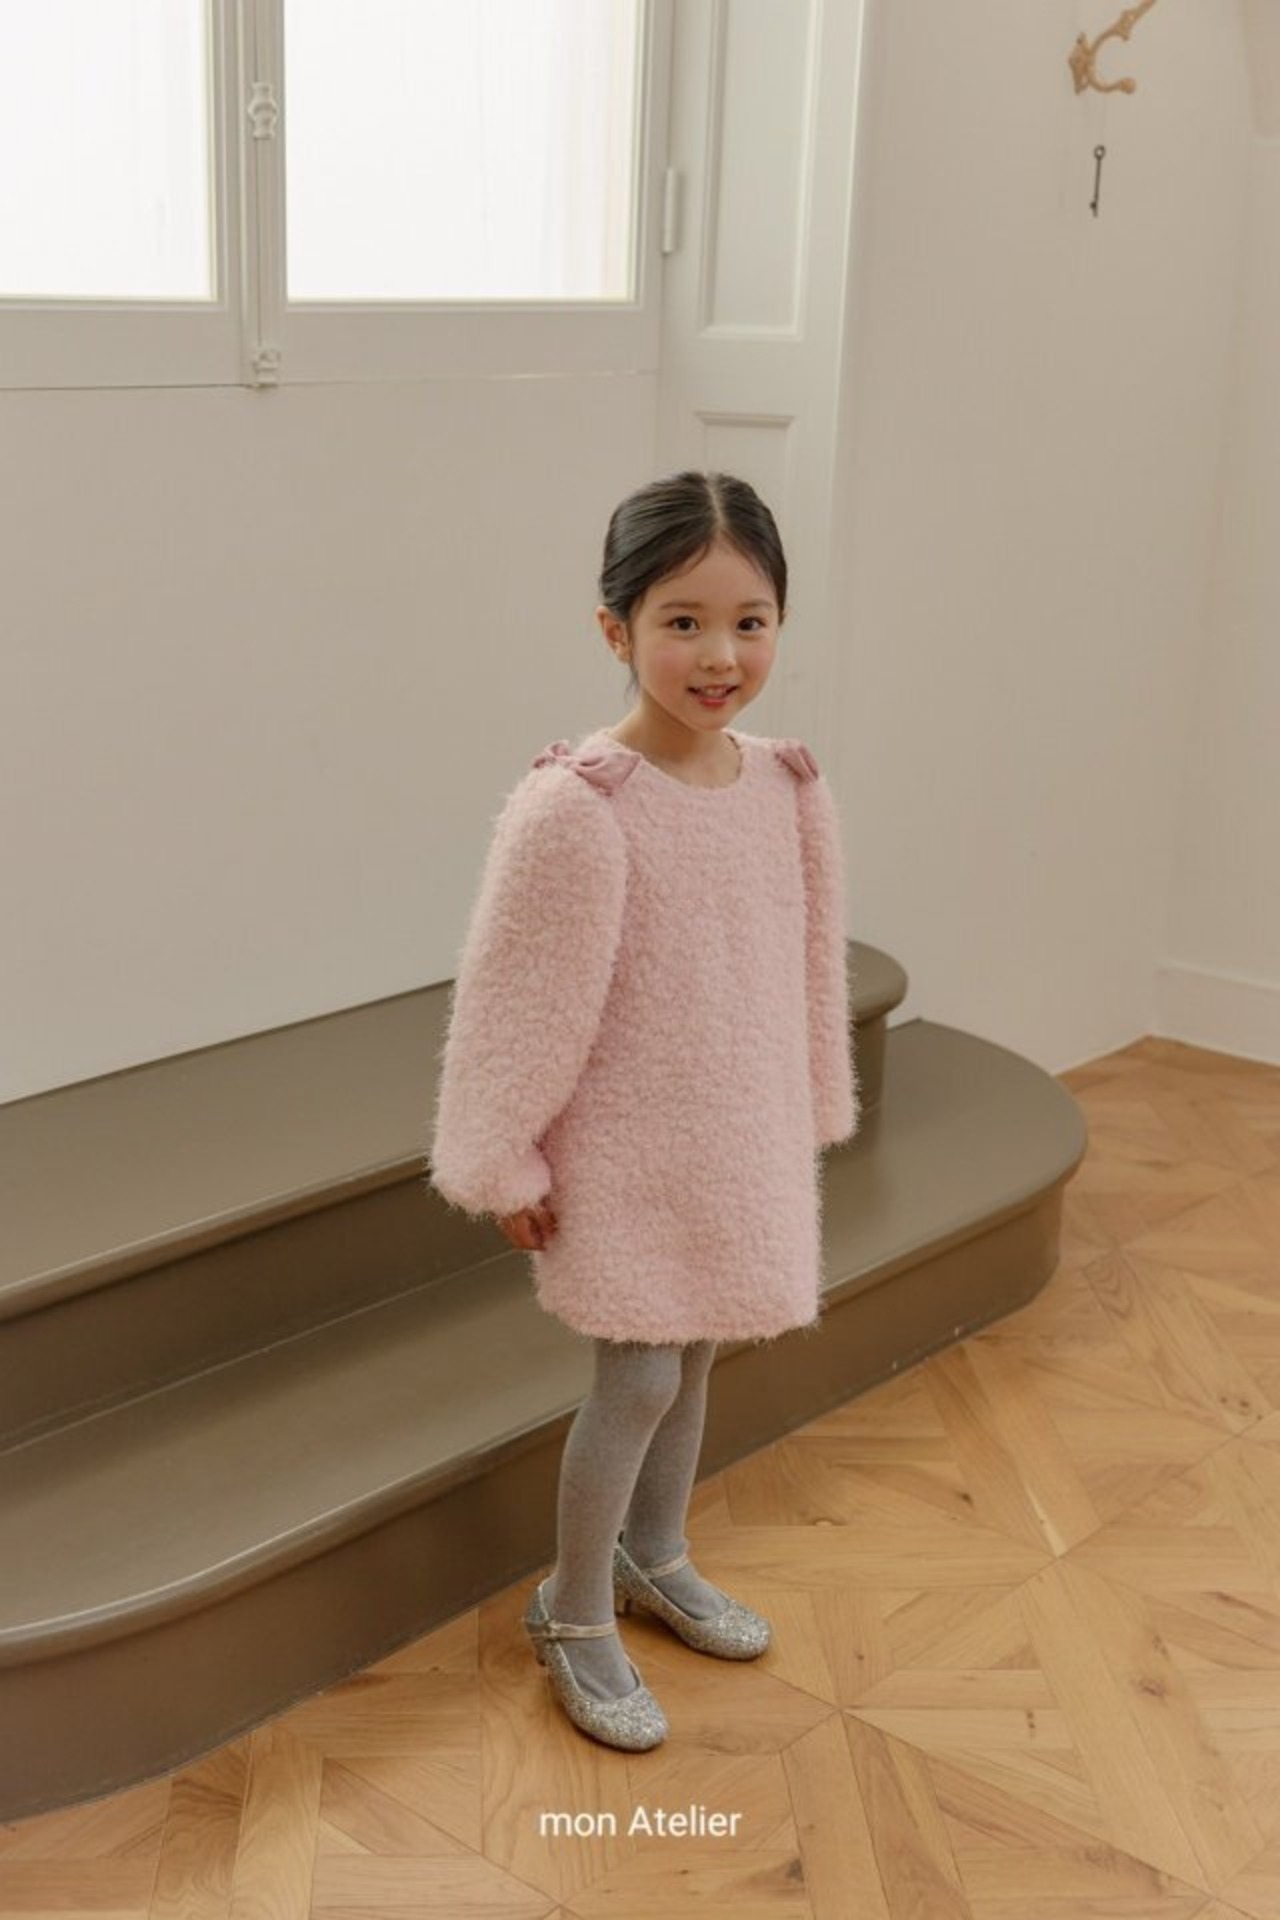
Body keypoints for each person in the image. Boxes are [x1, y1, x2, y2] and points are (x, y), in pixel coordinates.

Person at [427, 469, 859, 1752]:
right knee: (639, 1376)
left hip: (734, 1133)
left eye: (748, 621)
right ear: (614, 628)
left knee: (700, 1353)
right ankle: (571, 1609)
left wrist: (809, 1102)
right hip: (623, 1146)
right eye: (682, 621)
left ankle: (653, 1553)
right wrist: (503, 1161)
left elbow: (808, 959)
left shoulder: (785, 785)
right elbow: (516, 1003)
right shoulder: (578, 808)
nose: (719, 655)